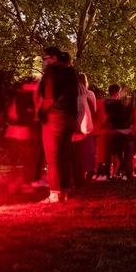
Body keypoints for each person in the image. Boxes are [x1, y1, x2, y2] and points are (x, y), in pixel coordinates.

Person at [37, 47, 78, 203]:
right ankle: (65, 191)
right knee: (65, 155)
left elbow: (49, 98)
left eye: (45, 58)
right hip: (70, 117)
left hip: (55, 117)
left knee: (53, 156)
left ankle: (54, 193)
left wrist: (40, 113)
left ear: (54, 58)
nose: (44, 61)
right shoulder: (72, 72)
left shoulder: (51, 73)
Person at [4, 79, 42, 194]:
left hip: (15, 130)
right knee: (29, 159)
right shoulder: (33, 96)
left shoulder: (18, 96)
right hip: (29, 130)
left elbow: (11, 113)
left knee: (15, 160)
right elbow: (38, 113)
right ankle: (26, 185)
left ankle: (13, 185)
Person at [71, 74, 96, 186]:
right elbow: (94, 110)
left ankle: (75, 176)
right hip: (87, 126)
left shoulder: (72, 94)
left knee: (75, 152)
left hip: (74, 127)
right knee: (87, 151)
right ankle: (85, 174)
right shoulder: (89, 94)